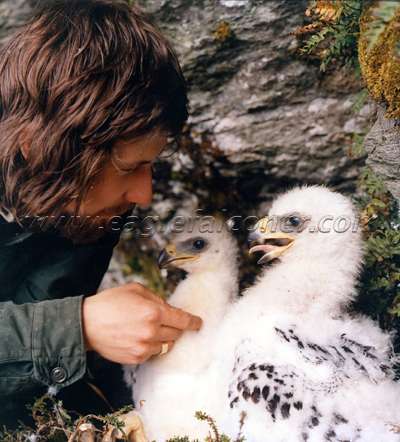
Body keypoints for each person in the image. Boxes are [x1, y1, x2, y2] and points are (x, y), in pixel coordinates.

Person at [0, 0, 202, 425]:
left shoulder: (87, 198)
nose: (144, 194)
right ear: (43, 150)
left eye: (150, 165)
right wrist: (81, 326)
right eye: (130, 169)